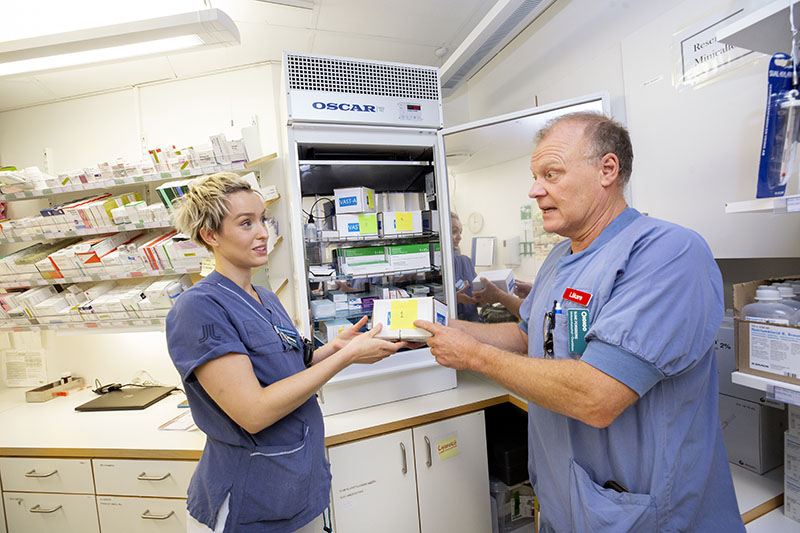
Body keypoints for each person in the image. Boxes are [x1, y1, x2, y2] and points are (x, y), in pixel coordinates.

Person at [415, 113, 743, 532]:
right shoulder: (561, 257)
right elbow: (527, 335)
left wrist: (475, 357)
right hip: (566, 500)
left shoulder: (667, 253)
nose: (535, 190)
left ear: (607, 170)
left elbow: (597, 396)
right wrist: (441, 327)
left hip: (643, 513)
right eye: (535, 177)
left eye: (551, 174)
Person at [165, 173, 405, 533]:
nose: (263, 232)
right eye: (246, 223)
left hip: (297, 489)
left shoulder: (265, 297)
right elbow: (254, 411)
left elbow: (290, 366)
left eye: (263, 219)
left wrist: (334, 348)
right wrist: (347, 357)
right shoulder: (199, 308)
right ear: (210, 235)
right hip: (250, 497)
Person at [450, 211, 482, 322]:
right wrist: (454, 299)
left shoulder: (466, 262)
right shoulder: (435, 269)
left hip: (473, 324)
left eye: (460, 232)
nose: (459, 237)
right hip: (450, 325)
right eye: (454, 232)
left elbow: (477, 294)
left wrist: (483, 298)